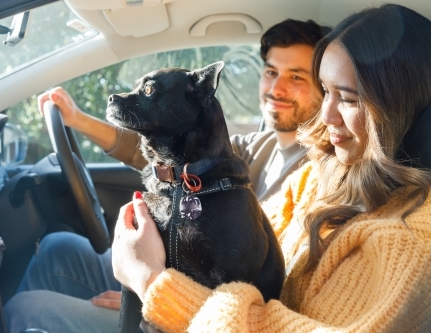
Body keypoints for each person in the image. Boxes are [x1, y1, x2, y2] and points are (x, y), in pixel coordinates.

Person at [112, 4, 431, 332]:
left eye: (348, 99)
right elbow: (246, 253)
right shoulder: (319, 176)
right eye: (326, 92)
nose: (325, 116)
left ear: (398, 107)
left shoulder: (403, 243)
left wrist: (153, 284)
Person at [4, 19, 330, 332]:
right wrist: (77, 119)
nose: (277, 88)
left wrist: (152, 291)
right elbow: (161, 155)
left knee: (27, 310)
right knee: (57, 248)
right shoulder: (255, 144)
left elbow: (266, 289)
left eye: (297, 77)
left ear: (325, 87)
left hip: (200, 309)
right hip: (172, 275)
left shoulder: (322, 175)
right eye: (271, 72)